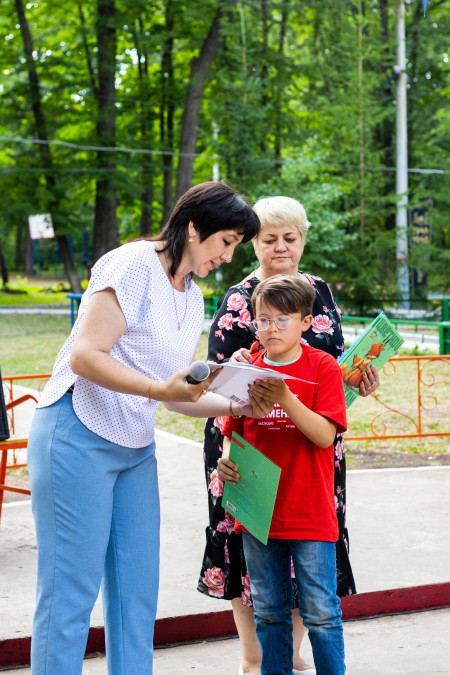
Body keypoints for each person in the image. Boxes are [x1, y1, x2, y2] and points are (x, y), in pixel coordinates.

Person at [26, 181, 271, 675]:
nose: (227, 257)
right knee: (70, 591)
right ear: (195, 227)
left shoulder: (192, 298)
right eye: (225, 242)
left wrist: (237, 405)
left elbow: (180, 394)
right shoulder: (132, 264)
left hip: (135, 448)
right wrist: (161, 391)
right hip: (76, 432)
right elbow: (86, 355)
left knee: (136, 592)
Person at [198, 196, 379, 675]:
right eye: (268, 238)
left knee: (311, 555)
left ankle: (294, 651)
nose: (280, 247)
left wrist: (355, 377)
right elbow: (220, 380)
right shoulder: (240, 300)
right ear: (253, 243)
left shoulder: (318, 291)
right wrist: (243, 382)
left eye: (289, 238)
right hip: (247, 443)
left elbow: (329, 367)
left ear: (302, 240)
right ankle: (254, 656)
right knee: (252, 547)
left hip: (313, 442)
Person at [218, 274, 347, 675]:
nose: (271, 329)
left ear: (306, 322)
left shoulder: (322, 367)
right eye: (263, 320)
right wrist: (226, 461)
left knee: (321, 612)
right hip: (258, 514)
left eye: (282, 320)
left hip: (309, 511)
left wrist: (285, 397)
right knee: (270, 612)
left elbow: (325, 436)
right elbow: (231, 433)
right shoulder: (247, 370)